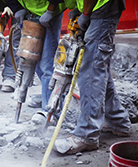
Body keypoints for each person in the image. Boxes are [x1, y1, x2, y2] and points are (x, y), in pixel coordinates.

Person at [54, 0, 131, 154]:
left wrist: (86, 13)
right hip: (98, 7)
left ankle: (86, 135)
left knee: (91, 70)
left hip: (102, 8)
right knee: (97, 66)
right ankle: (117, 121)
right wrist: (78, 9)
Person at [5, 0, 69, 123]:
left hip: (50, 11)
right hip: (30, 10)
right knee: (30, 59)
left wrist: (51, 10)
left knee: (47, 64)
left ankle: (50, 112)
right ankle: (47, 96)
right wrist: (17, 7)